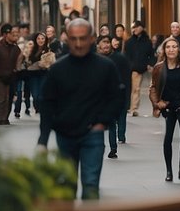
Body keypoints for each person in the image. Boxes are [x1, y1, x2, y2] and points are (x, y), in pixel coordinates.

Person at [36, 19, 122, 199]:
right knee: (66, 186)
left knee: (90, 185)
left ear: (92, 39)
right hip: (65, 134)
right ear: (67, 39)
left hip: (93, 133)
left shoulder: (106, 67)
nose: (78, 43)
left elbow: (116, 97)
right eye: (74, 38)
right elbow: (47, 103)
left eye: (83, 38)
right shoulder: (58, 69)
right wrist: (43, 139)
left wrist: (102, 122)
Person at [150, 37, 180, 182]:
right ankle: (169, 170)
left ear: (178, 49)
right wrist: (157, 103)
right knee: (168, 138)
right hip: (167, 106)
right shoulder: (159, 68)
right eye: (168, 47)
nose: (171, 50)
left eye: (174, 47)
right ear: (164, 50)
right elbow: (153, 88)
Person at [98, 35, 132, 158]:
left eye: (108, 42)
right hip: (104, 96)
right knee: (111, 123)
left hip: (120, 93)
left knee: (121, 117)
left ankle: (121, 135)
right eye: (103, 42)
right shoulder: (96, 59)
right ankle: (113, 148)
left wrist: (127, 95)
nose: (106, 45)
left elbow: (127, 78)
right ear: (98, 45)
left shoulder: (120, 58)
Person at [0, 24, 23, 125]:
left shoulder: (16, 47)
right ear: (5, 34)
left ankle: (6, 117)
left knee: (9, 98)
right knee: (1, 98)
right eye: (11, 33)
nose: (13, 35)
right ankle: (1, 118)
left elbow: (19, 61)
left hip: (12, 76)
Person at [124, 20, 154, 116]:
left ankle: (155, 108)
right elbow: (126, 56)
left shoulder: (147, 41)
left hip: (146, 68)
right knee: (135, 89)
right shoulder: (129, 42)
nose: (134, 29)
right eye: (133, 27)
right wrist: (130, 65)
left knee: (152, 89)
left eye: (136, 27)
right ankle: (134, 108)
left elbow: (151, 54)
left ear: (142, 28)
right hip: (135, 69)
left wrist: (150, 64)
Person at [23, 32, 55, 115]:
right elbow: (27, 60)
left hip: (43, 74)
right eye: (38, 38)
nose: (40, 40)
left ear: (45, 40)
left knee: (41, 95)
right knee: (35, 95)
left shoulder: (48, 50)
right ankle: (37, 107)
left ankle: (41, 109)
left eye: (42, 38)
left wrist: (43, 63)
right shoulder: (31, 49)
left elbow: (50, 63)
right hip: (32, 75)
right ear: (35, 40)